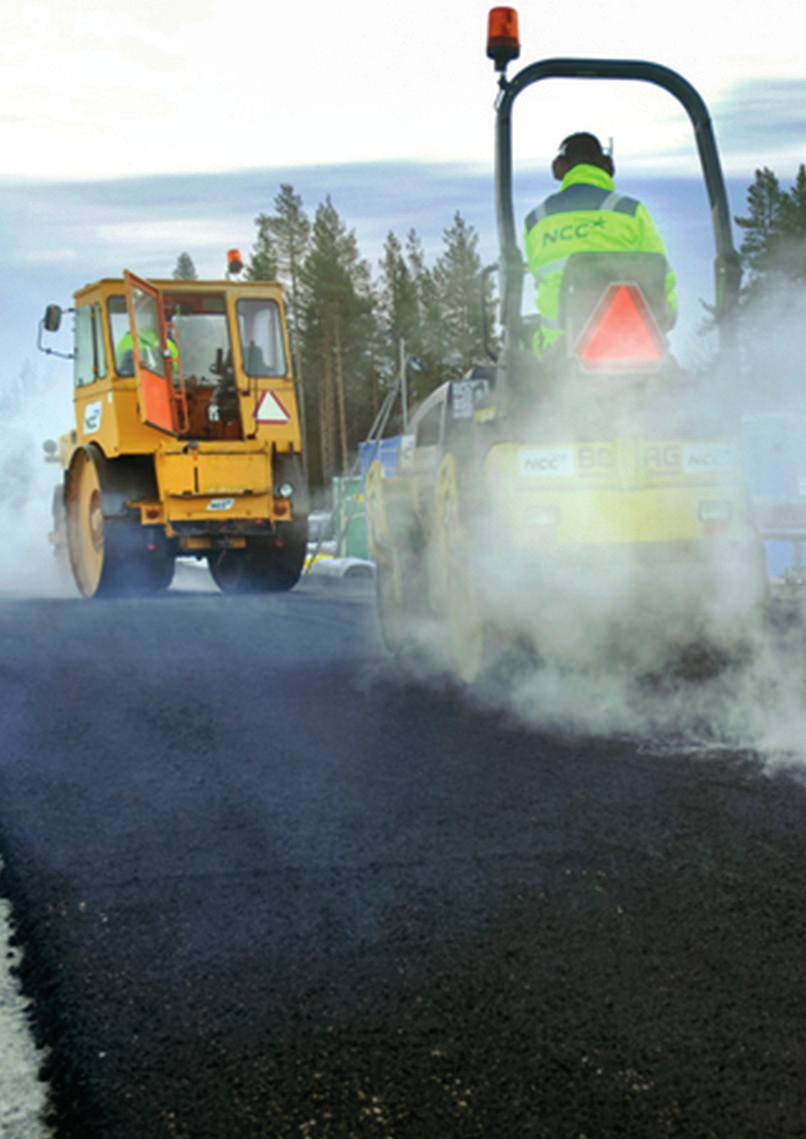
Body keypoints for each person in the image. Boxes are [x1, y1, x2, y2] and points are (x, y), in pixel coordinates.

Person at [524, 132, 678, 360]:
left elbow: (542, 279)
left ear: (559, 166)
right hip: (634, 349)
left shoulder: (537, 220)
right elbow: (661, 278)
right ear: (607, 166)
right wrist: (664, 320)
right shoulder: (631, 212)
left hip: (561, 351)